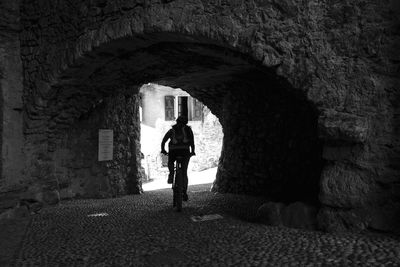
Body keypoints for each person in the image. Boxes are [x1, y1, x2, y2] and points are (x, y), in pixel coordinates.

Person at [161, 115, 195, 201]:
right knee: (184, 172)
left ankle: (171, 173)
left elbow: (164, 140)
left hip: (173, 151)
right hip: (185, 151)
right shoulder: (188, 130)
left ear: (177, 122)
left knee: (170, 162)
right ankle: (184, 192)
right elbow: (192, 141)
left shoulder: (172, 130)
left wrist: (163, 150)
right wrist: (193, 151)